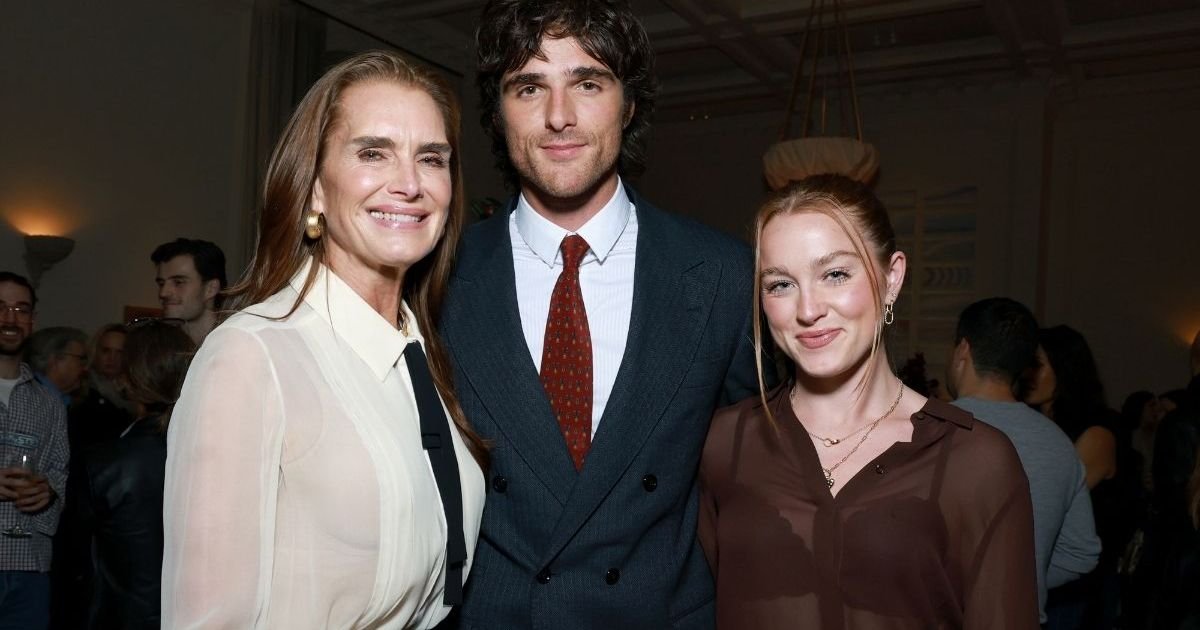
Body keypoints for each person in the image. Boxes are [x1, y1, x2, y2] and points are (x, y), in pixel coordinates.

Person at [441, 1, 762, 627]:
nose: (559, 116)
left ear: (629, 104)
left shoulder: (724, 275)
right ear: (498, 112)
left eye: (587, 84)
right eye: (529, 87)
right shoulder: (437, 278)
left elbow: (763, 479)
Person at [162, 51, 487, 629]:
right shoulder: (251, 356)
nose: (410, 183)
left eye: (431, 158)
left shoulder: (423, 355)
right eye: (372, 152)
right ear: (314, 188)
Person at [698, 176, 1039, 629]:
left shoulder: (974, 460)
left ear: (891, 278)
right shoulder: (725, 442)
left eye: (835, 274)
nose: (808, 310)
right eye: (780, 284)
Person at [947, 298, 1100, 624]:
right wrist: (1018, 577)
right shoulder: (1059, 444)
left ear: (963, 349)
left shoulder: (920, 430)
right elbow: (1081, 553)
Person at [74, 320, 194, 629]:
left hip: (123, 618)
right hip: (193, 615)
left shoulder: (104, 462)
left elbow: (77, 561)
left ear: (130, 377)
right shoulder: (216, 451)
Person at [1025, 325, 1138, 629]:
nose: (1028, 374)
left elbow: (1049, 501)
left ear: (1066, 369)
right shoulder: (1035, 425)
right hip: (1045, 574)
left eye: (1037, 365)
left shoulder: (1098, 430)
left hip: (1079, 584)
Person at [0, 271, 70, 630]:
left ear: (32, 320)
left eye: (20, 309)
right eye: (0, 308)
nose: (10, 319)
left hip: (29, 566)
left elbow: (60, 471)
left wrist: (50, 492)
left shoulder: (49, 401)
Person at [150, 238, 227, 344]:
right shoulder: (158, 345)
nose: (163, 293)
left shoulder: (234, 344)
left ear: (211, 289)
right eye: (161, 283)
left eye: (178, 282)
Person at [24, 327, 89, 409]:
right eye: (81, 359)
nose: (85, 368)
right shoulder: (28, 399)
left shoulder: (64, 400)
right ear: (57, 358)